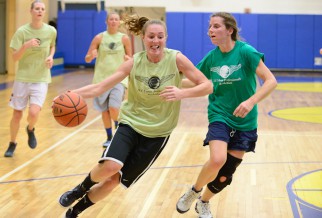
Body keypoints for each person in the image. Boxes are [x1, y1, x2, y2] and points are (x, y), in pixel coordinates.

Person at [58, 15, 213, 218]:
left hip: (158, 133)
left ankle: (76, 211)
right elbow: (101, 86)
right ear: (143, 37)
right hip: (131, 123)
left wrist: (181, 93)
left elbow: (207, 85)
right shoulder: (134, 62)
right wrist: (71, 94)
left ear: (166, 38)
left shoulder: (176, 59)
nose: (155, 41)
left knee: (114, 181)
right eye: (151, 37)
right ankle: (80, 188)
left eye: (159, 36)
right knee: (111, 166)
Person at [176, 12, 277, 218]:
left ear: (229, 30)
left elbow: (271, 81)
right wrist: (168, 83)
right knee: (217, 159)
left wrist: (250, 102)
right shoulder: (211, 58)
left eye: (216, 26)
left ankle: (203, 202)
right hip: (220, 114)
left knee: (225, 175)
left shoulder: (246, 52)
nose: (210, 30)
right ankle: (194, 191)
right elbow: (196, 82)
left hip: (245, 120)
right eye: (210, 27)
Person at [4, 0, 57, 157]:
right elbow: (14, 58)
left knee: (33, 113)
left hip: (41, 78)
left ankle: (30, 128)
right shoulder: (22, 32)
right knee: (17, 114)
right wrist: (26, 46)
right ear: (31, 11)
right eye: (37, 9)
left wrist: (51, 56)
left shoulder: (51, 31)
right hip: (22, 78)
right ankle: (12, 143)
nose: (40, 11)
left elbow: (52, 45)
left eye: (42, 9)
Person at [85, 12, 132, 148]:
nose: (113, 21)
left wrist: (128, 59)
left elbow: (131, 57)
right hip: (101, 80)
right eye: (111, 19)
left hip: (118, 79)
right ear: (106, 22)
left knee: (114, 107)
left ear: (119, 22)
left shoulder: (124, 38)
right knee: (104, 111)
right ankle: (109, 137)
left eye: (116, 19)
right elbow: (87, 58)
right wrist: (91, 56)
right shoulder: (99, 38)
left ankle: (118, 131)